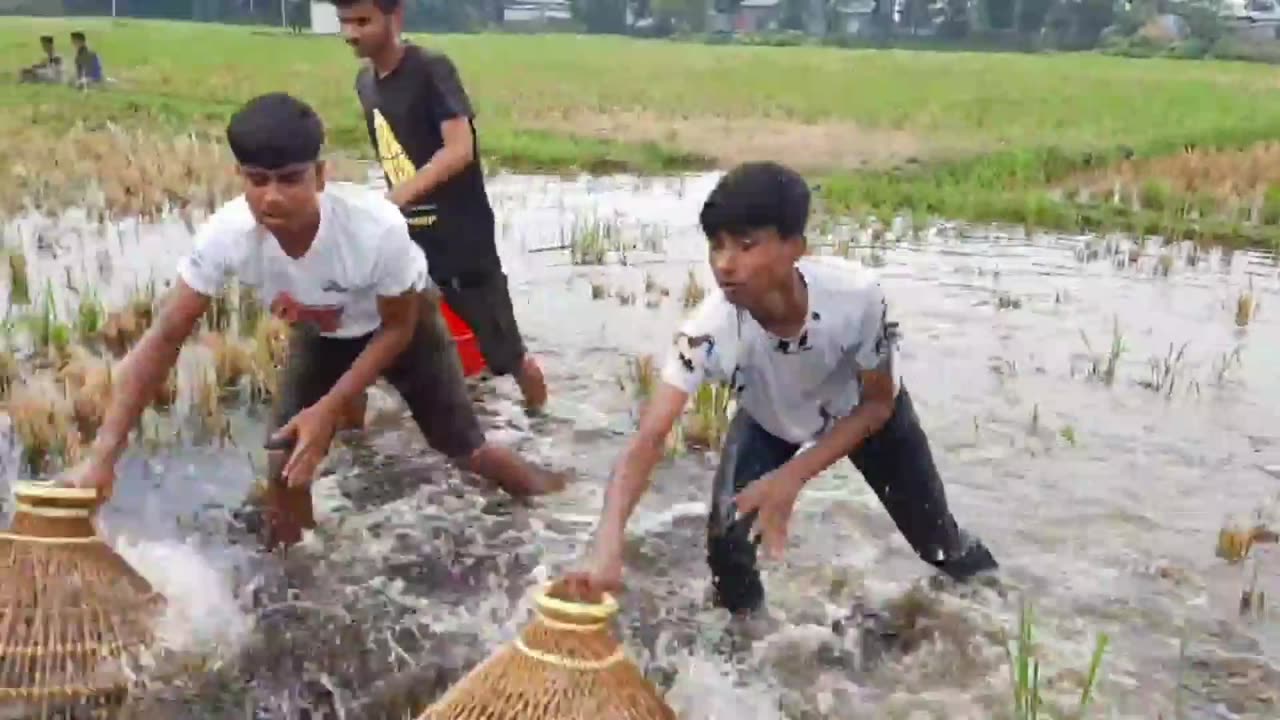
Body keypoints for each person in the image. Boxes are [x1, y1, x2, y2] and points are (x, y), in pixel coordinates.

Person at [60, 93, 565, 545]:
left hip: (404, 333)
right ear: (241, 178)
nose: (273, 197)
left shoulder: (375, 229)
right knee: (284, 460)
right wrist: (104, 454)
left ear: (320, 176)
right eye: (257, 181)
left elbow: (397, 328)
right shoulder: (226, 235)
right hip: (322, 333)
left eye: (290, 179)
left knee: (467, 451)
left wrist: (328, 409)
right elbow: (165, 336)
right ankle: (300, 568)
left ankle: (559, 503)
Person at [565, 162, 998, 616]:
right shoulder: (708, 333)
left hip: (861, 416)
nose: (724, 264)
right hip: (770, 417)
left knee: (938, 543)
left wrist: (792, 477)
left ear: (795, 248)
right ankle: (753, 648)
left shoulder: (857, 297)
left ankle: (997, 610)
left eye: (746, 245)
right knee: (727, 541)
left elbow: (878, 404)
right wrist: (608, 540)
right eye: (716, 246)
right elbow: (648, 438)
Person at [327, 0, 549, 414]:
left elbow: (459, 149)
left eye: (362, 21)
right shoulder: (366, 83)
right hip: (406, 235)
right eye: (345, 22)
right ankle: (357, 444)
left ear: (396, 17)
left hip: (460, 235)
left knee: (506, 350)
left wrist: (394, 199)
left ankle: (542, 426)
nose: (351, 34)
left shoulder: (430, 69)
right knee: (363, 337)